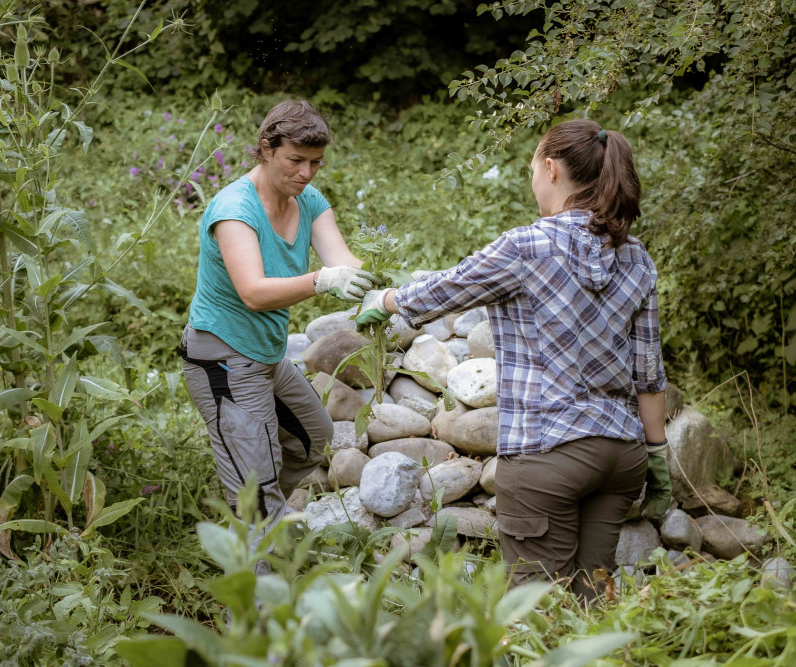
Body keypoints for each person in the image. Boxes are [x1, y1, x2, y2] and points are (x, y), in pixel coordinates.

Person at [356, 119, 672, 600]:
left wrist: (383, 302)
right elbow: (648, 372)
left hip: (548, 453)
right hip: (620, 456)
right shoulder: (637, 258)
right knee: (593, 600)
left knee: (535, 608)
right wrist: (657, 455)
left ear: (550, 169)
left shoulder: (526, 246)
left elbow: (447, 288)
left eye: (531, 169)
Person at [181, 99, 380, 530]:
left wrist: (382, 284)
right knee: (256, 484)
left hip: (266, 358)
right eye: (296, 160)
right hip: (223, 358)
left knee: (313, 440)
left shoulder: (307, 200)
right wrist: (321, 281)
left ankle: (255, 516)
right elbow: (253, 293)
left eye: (315, 163)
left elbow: (343, 261)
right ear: (266, 148)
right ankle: (256, 559)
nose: (306, 173)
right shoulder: (235, 210)